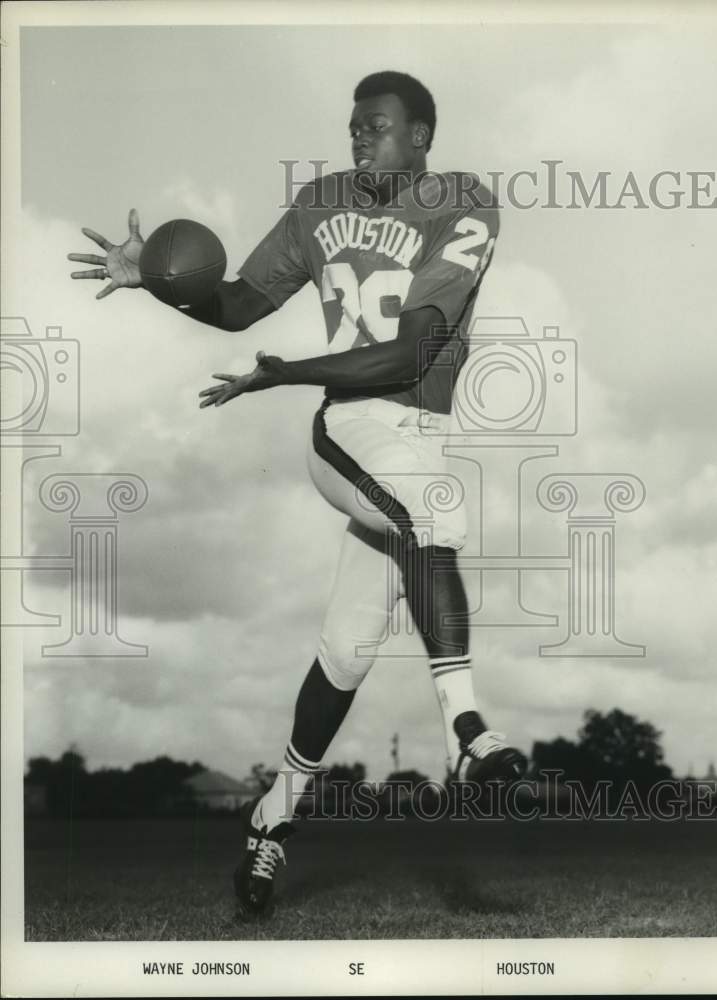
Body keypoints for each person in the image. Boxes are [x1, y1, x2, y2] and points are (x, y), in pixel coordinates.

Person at [68, 70, 527, 915]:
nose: (360, 138)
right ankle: (466, 728)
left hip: (416, 434)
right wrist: (165, 283)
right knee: (436, 511)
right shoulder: (320, 205)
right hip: (350, 429)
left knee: (349, 651)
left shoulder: (463, 204)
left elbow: (408, 357)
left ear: (421, 137)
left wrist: (283, 370)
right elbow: (239, 303)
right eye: (353, 126)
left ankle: (269, 819)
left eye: (378, 126)